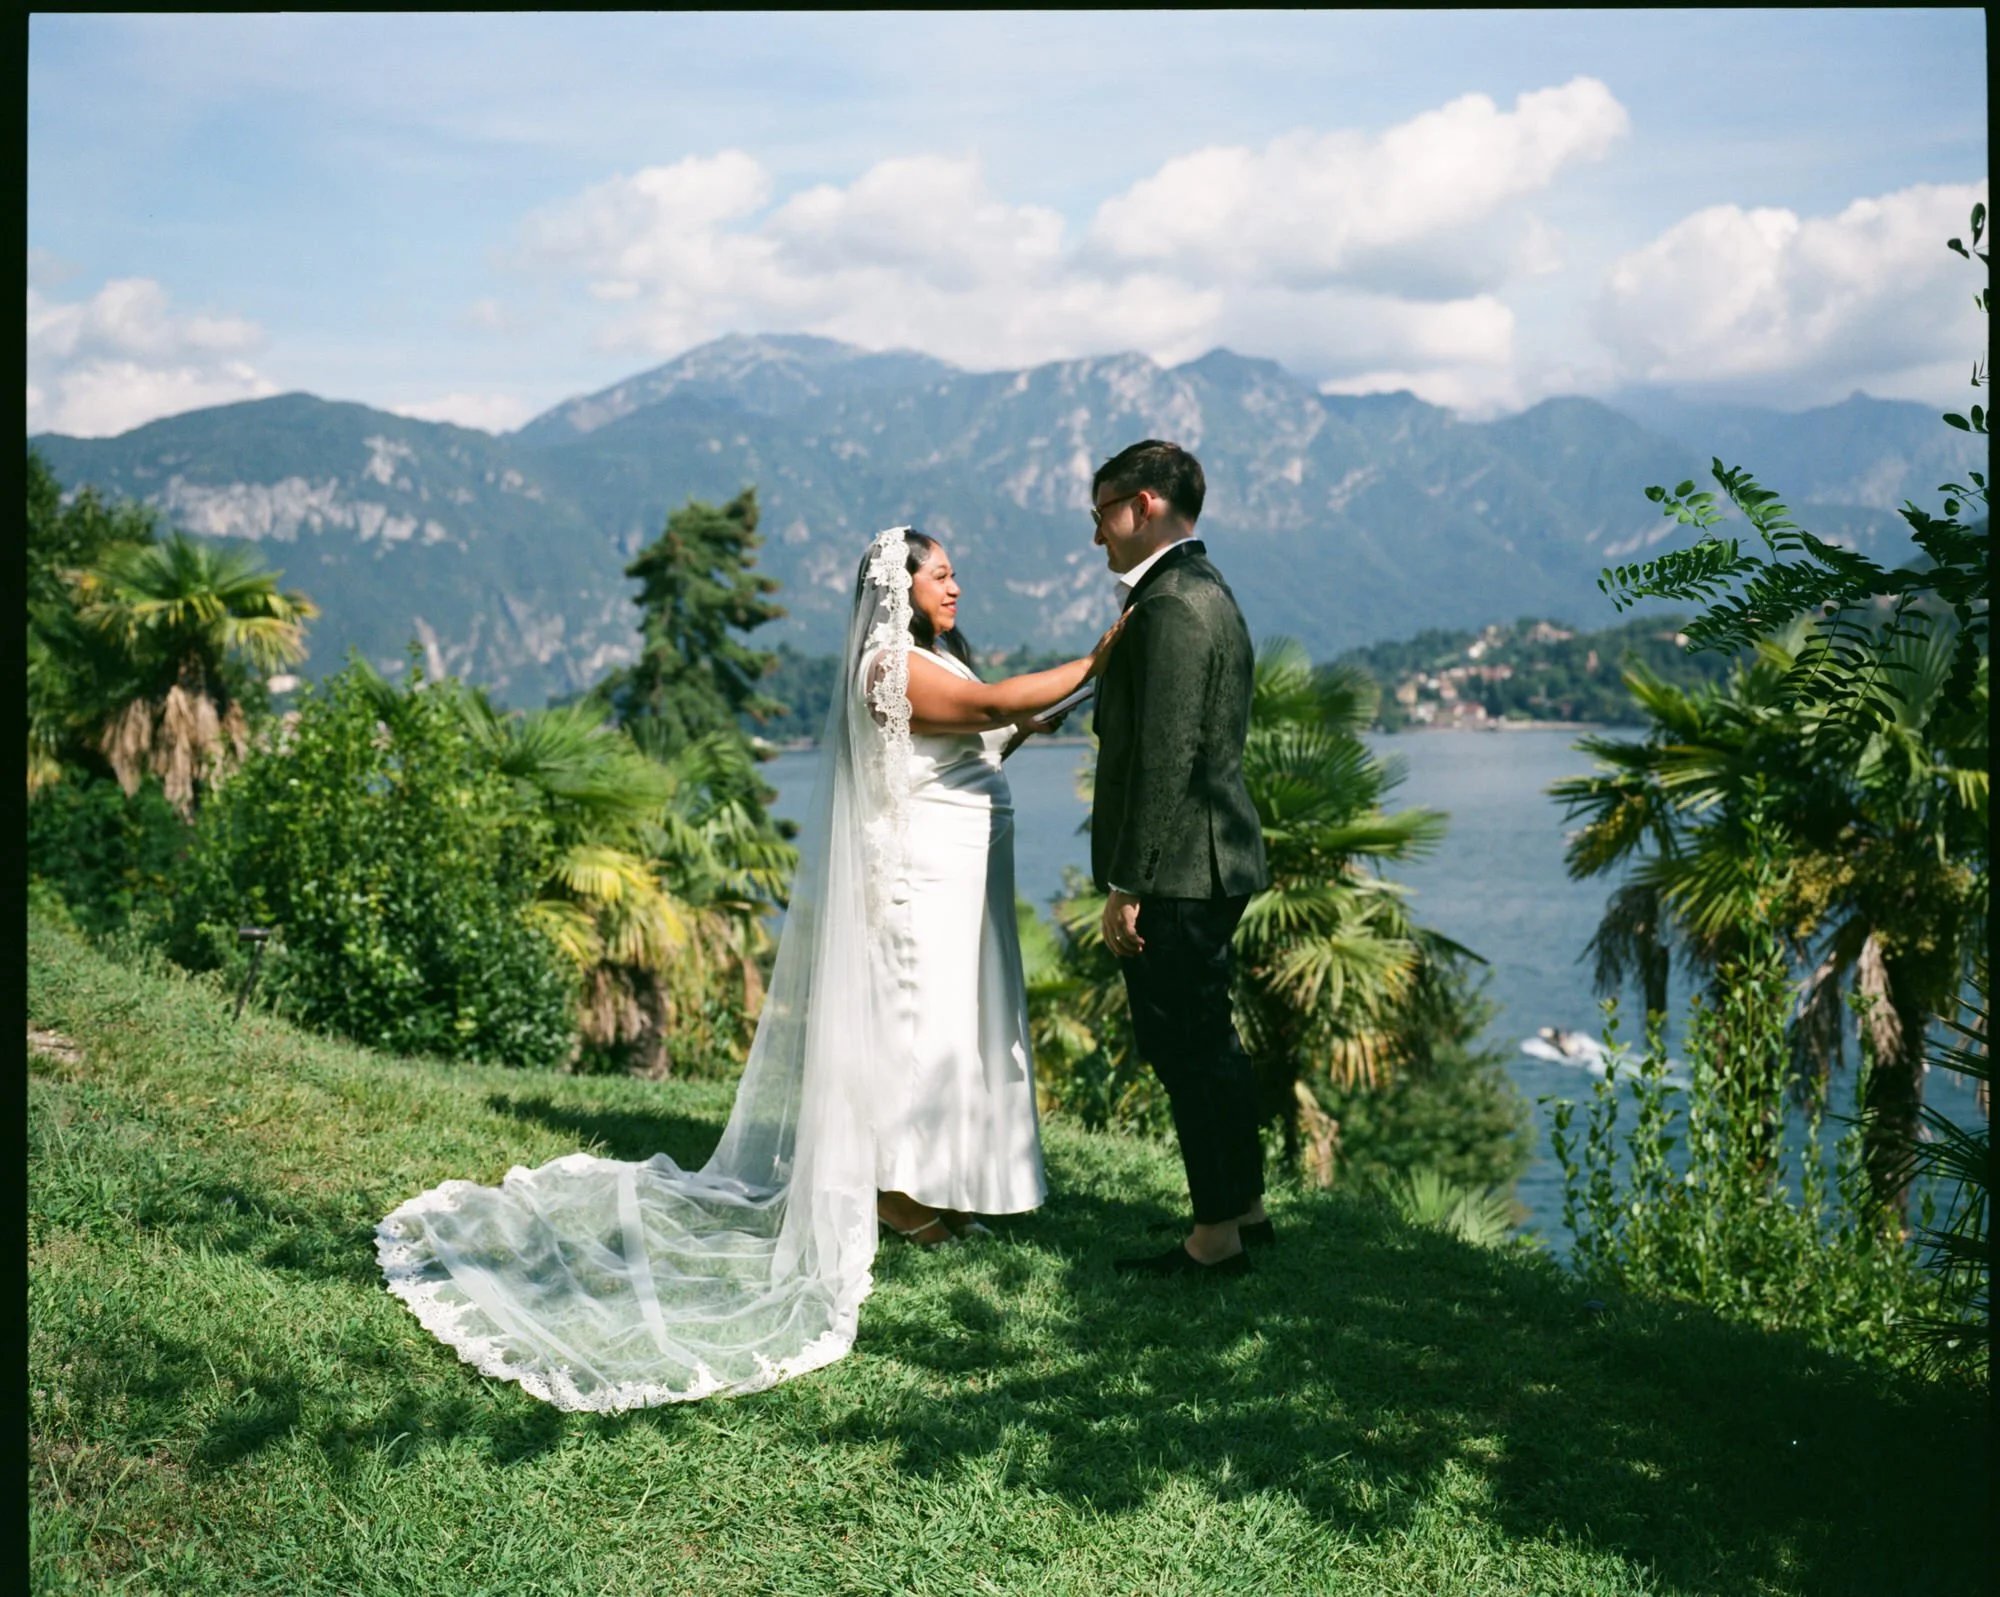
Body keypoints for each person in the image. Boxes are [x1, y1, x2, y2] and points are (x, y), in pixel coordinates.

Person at [375, 526, 1122, 1410]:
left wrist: (1032, 721)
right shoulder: (889, 666)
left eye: (957, 573)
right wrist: (1098, 656)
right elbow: (995, 701)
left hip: (964, 881)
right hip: (924, 886)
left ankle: (941, 1179)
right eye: (942, 574)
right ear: (899, 585)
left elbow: (981, 733)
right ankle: (892, 1190)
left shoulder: (936, 660)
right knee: (921, 1028)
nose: (956, 586)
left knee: (959, 1027)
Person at [1088, 441, 1273, 1279]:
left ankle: (1213, 1238)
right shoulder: (1212, 590)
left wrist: (1131, 881)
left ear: (1147, 504)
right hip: (1218, 853)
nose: (1099, 536)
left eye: (1103, 515)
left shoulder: (1166, 606)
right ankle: (1244, 1206)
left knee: (1184, 1049)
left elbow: (1165, 757)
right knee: (1214, 1039)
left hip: (1180, 869)